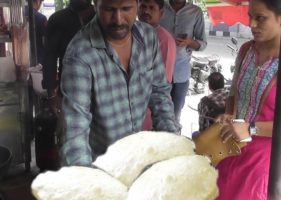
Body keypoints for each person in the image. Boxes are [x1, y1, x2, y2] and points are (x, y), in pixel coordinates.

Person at [61, 0, 179, 166]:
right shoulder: (80, 55)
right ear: (96, 5)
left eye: (126, 9)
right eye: (109, 9)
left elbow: (159, 95)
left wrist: (175, 144)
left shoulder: (149, 38)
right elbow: (75, 133)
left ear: (137, 4)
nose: (118, 19)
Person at [216, 0, 281, 199]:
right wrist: (229, 114)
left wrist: (251, 128)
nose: (252, 24)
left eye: (260, 18)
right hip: (230, 147)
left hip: (266, 158)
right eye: (250, 16)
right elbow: (233, 92)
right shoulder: (246, 50)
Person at [159, 0, 207, 124]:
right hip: (158, 75)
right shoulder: (159, 7)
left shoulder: (195, 12)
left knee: (176, 116)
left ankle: (174, 139)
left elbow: (202, 44)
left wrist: (190, 42)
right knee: (157, 115)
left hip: (181, 75)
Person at [42, 0, 95, 100]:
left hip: (100, 90)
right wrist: (51, 93)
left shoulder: (101, 18)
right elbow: (50, 57)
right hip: (69, 91)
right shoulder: (58, 19)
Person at [138, 0, 176, 130]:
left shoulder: (164, 39)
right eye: (143, 6)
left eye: (151, 8)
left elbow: (161, 85)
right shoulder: (131, 32)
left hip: (147, 110)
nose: (146, 11)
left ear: (161, 13)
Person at [26, 0, 47, 64]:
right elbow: (45, 40)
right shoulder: (41, 18)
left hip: (23, 56)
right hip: (38, 58)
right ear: (38, 1)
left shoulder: (21, 14)